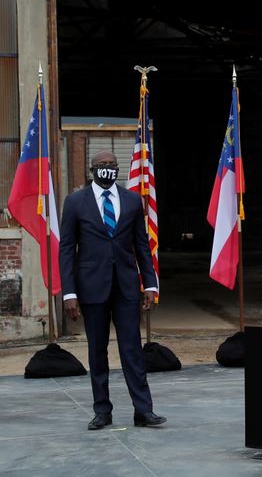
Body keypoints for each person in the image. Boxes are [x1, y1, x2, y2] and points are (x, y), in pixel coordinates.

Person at [59, 151, 166, 430]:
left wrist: (150, 284)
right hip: (91, 289)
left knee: (132, 350)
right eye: (102, 166)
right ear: (91, 169)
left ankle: (143, 410)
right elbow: (67, 250)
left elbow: (142, 245)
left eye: (112, 166)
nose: (107, 169)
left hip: (126, 288)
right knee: (97, 351)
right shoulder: (74, 202)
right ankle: (102, 411)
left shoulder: (132, 201)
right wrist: (69, 293)